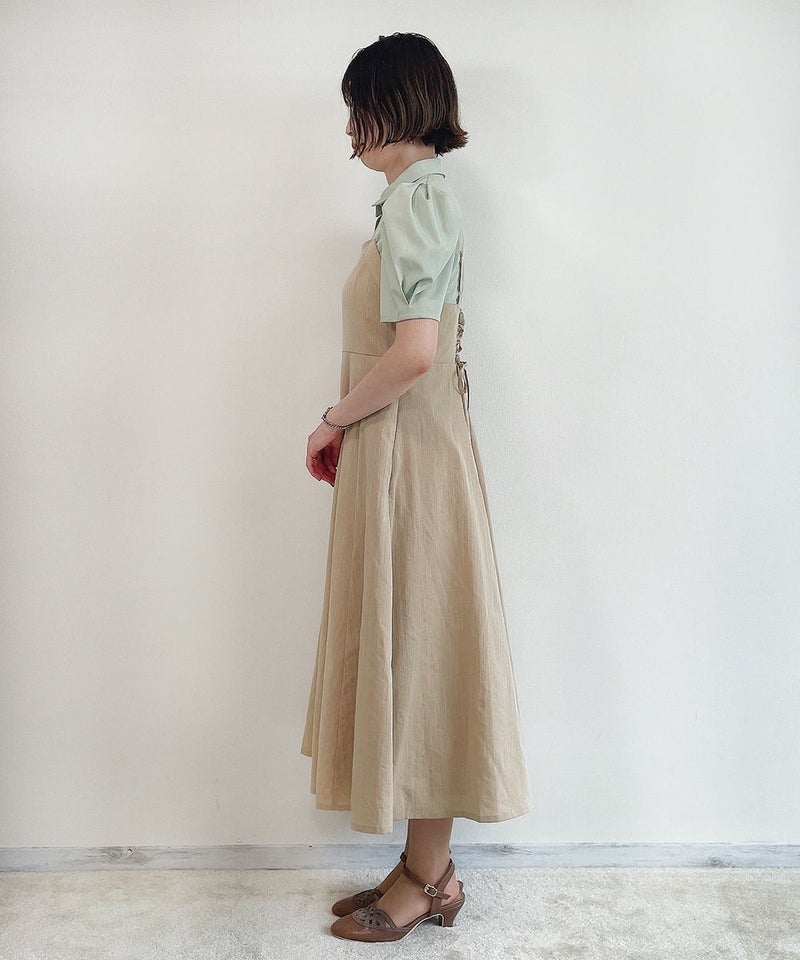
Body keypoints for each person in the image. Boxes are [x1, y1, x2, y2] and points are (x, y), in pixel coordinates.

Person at [301, 32, 533, 942]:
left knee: (425, 648)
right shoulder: (413, 199)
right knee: (415, 645)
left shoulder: (418, 199)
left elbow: (415, 351)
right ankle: (420, 867)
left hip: (412, 455)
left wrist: (333, 418)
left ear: (393, 105)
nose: (349, 130)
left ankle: (432, 878)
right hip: (408, 449)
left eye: (357, 108)